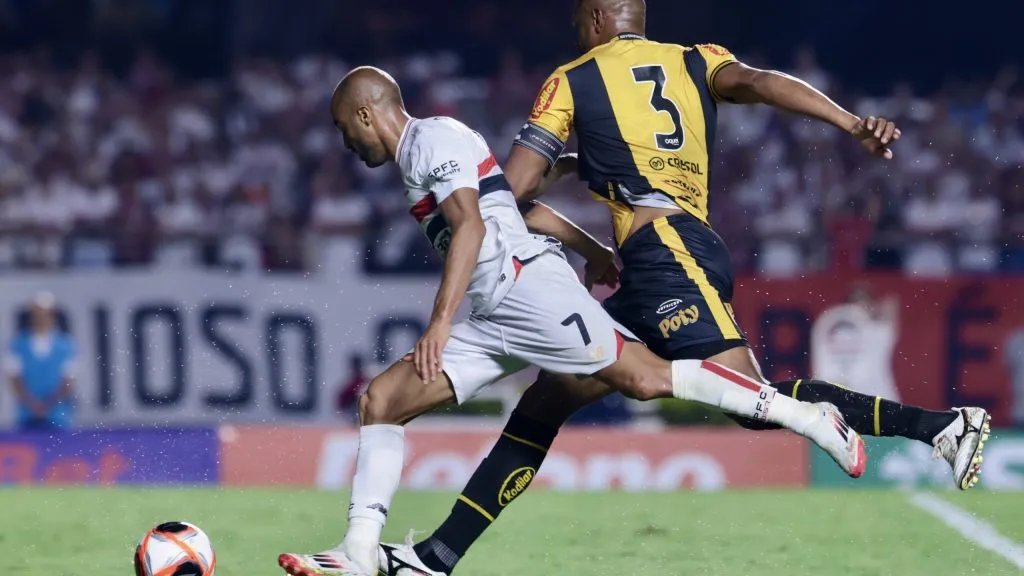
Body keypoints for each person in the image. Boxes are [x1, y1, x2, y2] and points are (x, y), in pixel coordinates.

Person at [378, 1, 991, 574]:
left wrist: (522, 184)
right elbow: (760, 81)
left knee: (753, 399)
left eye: (577, 21)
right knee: (548, 398)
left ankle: (941, 426)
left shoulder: (573, 78)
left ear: (595, 18)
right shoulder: (694, 58)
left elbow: (513, 189)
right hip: (664, 255)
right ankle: (436, 557)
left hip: (666, 251)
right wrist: (849, 120)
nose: (575, 31)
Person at [277, 66, 864, 576]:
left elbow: (473, 227)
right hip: (490, 313)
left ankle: (807, 417)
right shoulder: (418, 158)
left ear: (364, 111)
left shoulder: (433, 139)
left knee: (644, 379)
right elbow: (513, 206)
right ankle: (358, 552)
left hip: (527, 291)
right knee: (382, 400)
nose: (344, 140)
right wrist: (591, 249)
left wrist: (439, 323)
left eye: (341, 126)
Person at [812, 285, 901, 401]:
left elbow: (891, 303)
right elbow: (891, 304)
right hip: (861, 404)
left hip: (875, 402)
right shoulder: (872, 332)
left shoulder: (877, 331)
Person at [6, 292, 77, 431]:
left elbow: (68, 382)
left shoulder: (66, 345)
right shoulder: (17, 344)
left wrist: (48, 405)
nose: (41, 319)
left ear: (52, 316)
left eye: (45, 314)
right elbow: (14, 380)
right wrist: (33, 404)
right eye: (37, 315)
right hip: (26, 415)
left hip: (58, 416)